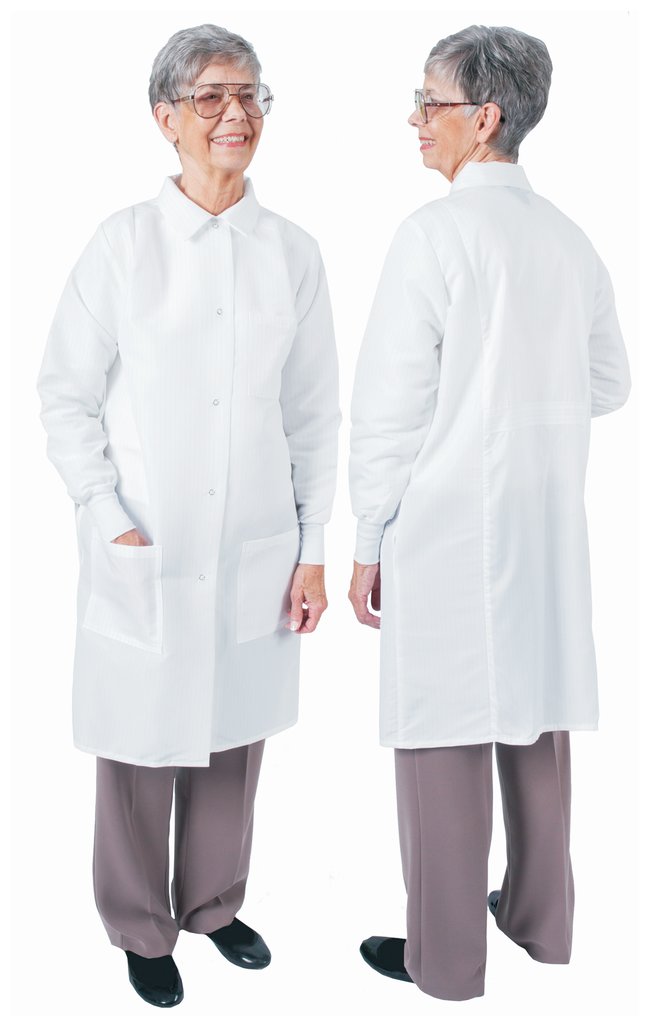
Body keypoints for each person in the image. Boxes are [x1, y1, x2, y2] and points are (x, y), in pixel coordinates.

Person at [36, 23, 340, 1008]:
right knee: (138, 741)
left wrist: (312, 546)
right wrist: (105, 512)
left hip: (255, 541)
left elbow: (312, 414)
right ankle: (139, 924)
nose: (234, 114)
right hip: (146, 541)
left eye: (249, 94)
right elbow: (64, 394)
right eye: (210, 96)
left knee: (231, 736)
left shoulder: (292, 254)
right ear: (165, 117)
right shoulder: (123, 244)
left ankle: (212, 904)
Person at [348, 24, 631, 1002]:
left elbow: (387, 412)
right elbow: (608, 383)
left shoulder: (433, 236)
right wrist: (525, 395)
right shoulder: (567, 239)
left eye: (428, 103)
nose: (414, 121)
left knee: (442, 736)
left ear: (483, 117)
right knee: (535, 720)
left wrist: (365, 538)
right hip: (544, 525)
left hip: (444, 525)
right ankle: (541, 924)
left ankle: (443, 959)